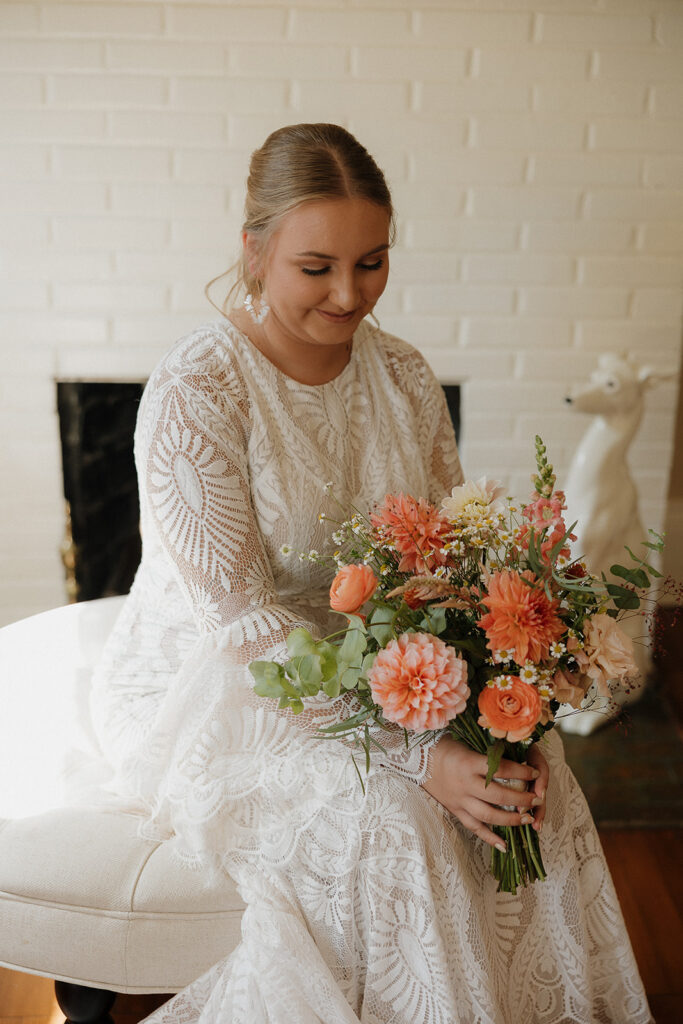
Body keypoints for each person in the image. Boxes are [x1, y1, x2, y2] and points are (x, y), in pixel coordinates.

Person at [90, 123, 652, 1023]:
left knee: (525, 779)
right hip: (234, 678)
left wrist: (497, 696)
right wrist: (419, 753)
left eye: (373, 261)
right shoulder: (199, 389)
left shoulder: (403, 375)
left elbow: (445, 563)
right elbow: (243, 627)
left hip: (391, 657)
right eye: (315, 267)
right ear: (255, 251)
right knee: (389, 821)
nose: (350, 294)